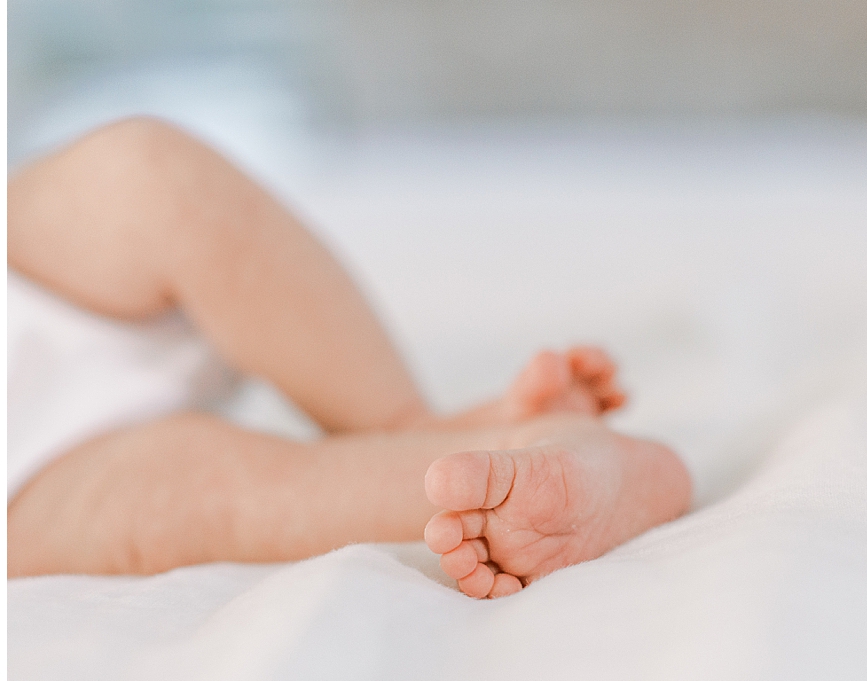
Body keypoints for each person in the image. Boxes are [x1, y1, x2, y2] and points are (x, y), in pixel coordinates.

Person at [6, 117, 692, 598]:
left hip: (29, 273)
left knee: (145, 179)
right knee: (204, 507)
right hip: (27, 492)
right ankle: (523, 466)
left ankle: (404, 421)